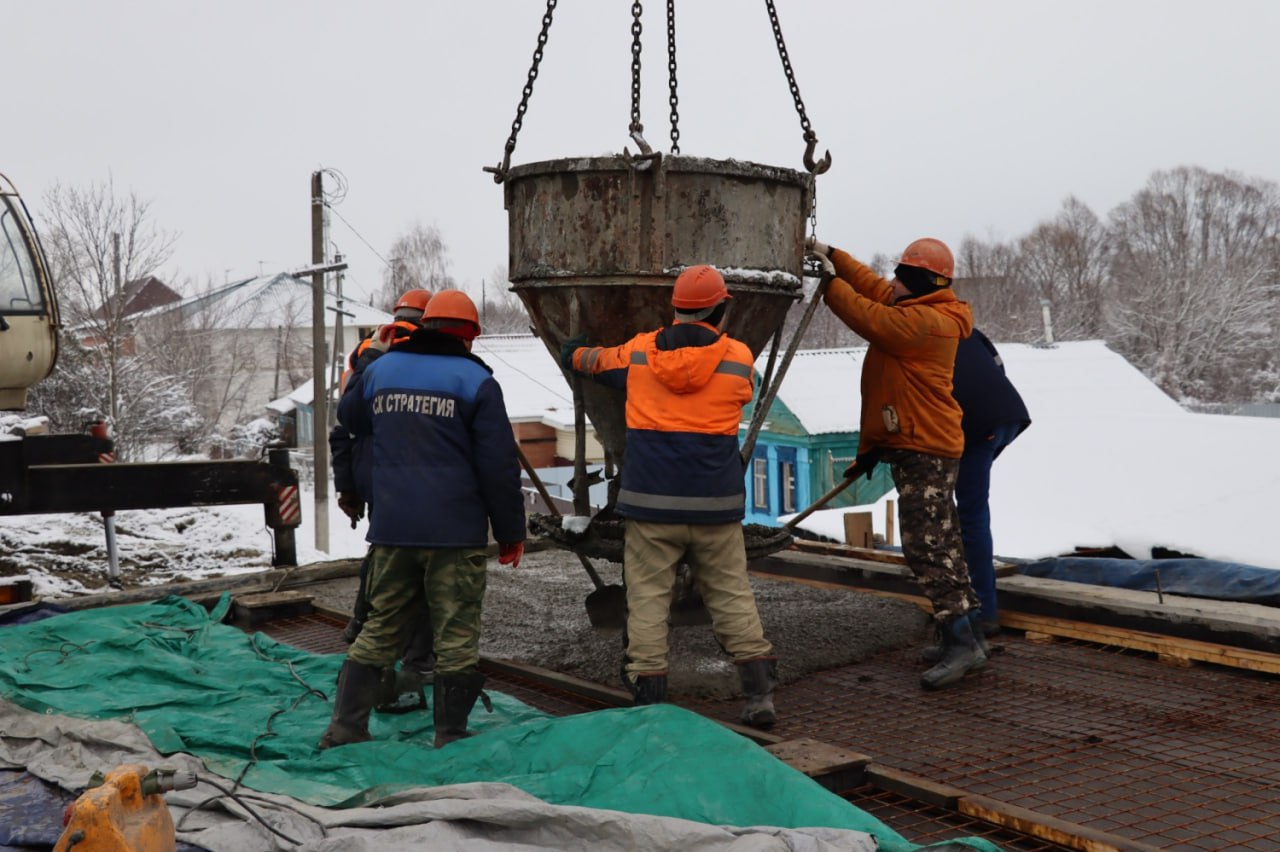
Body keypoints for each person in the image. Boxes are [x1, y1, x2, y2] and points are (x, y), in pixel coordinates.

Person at [561, 264, 779, 728]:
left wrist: (574, 353)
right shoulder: (739, 357)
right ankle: (759, 697)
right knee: (732, 597)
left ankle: (650, 701)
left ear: (675, 308)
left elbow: (597, 364)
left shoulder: (639, 354)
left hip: (651, 504)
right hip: (715, 505)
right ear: (721, 310)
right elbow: (740, 395)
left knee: (647, 601)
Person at [320, 289, 526, 749]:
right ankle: (449, 734)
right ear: (471, 335)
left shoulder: (382, 371)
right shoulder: (475, 382)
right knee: (455, 633)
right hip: (455, 535)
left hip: (393, 529)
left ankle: (346, 727)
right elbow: (498, 468)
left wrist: (373, 354)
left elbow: (350, 419)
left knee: (380, 626)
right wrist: (511, 532)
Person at [806, 235, 985, 690]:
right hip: (923, 444)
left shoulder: (925, 323)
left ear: (918, 283)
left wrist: (828, 280)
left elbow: (867, 315)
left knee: (927, 545)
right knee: (942, 540)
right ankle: (963, 633)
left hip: (926, 448)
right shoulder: (922, 307)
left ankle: (962, 641)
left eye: (901, 277)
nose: (891, 283)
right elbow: (873, 288)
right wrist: (833, 254)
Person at [330, 287, 437, 713]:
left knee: (385, 556)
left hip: (372, 475)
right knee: (423, 570)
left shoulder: (364, 353)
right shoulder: (426, 352)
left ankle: (364, 636)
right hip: (416, 477)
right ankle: (417, 661)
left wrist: (347, 486)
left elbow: (343, 428)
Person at [951, 328, 1031, 634]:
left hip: (978, 424)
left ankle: (983, 611)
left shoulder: (917, 329)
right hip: (1006, 415)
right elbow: (998, 365)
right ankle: (974, 600)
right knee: (967, 508)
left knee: (969, 514)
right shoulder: (965, 327)